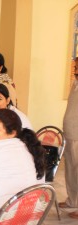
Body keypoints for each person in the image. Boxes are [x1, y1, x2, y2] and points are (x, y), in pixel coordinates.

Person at [60, 57, 78, 219]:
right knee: (70, 170)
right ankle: (72, 201)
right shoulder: (75, 83)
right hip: (70, 134)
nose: (75, 70)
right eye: (75, 66)